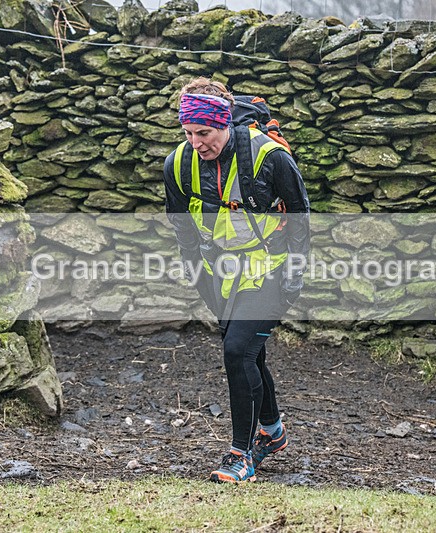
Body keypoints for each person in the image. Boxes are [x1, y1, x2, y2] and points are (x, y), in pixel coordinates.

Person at [163, 77, 310, 483]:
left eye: (204, 133)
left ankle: (240, 455)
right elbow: (183, 230)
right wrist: (197, 278)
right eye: (188, 133)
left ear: (224, 124)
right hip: (219, 275)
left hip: (271, 270)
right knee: (249, 353)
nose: (196, 142)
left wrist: (294, 277)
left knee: (237, 351)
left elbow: (300, 215)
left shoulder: (269, 158)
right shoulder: (177, 164)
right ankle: (273, 431)